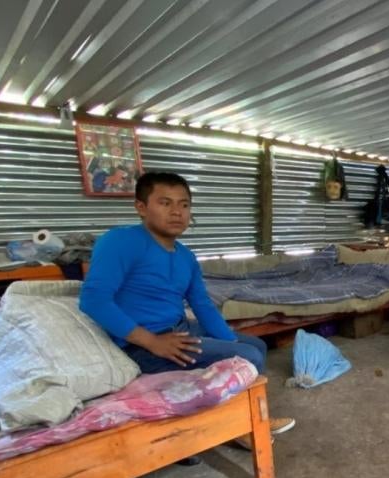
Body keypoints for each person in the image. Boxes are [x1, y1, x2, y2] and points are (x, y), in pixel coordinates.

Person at [80, 171, 295, 447]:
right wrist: (151, 341)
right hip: (143, 345)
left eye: (184, 204)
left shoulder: (185, 256)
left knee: (255, 347)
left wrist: (229, 342)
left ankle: (242, 415)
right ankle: (241, 427)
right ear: (141, 207)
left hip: (179, 331)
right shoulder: (121, 242)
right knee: (248, 355)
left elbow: (202, 304)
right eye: (165, 203)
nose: (177, 212)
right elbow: (93, 299)